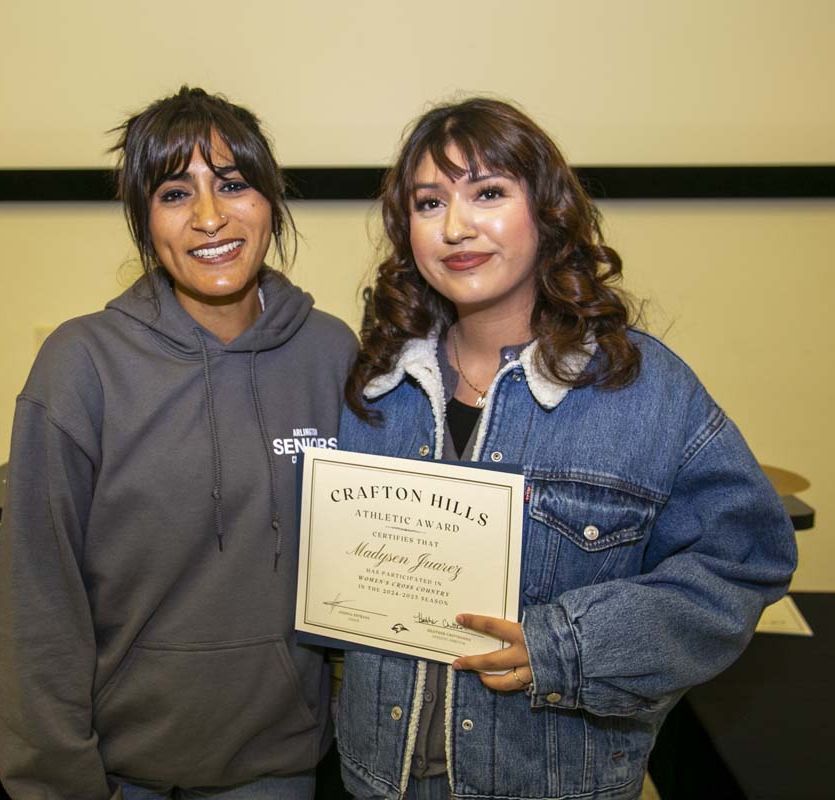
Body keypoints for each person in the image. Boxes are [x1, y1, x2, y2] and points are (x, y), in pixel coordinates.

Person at [335, 97, 797, 800]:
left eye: (488, 193)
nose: (456, 227)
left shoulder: (645, 389)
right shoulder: (377, 386)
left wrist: (569, 645)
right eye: (429, 203)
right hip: (378, 781)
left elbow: (744, 562)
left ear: (546, 212)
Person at [0, 86, 356, 800]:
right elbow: (37, 599)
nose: (210, 217)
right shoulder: (81, 365)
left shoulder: (330, 353)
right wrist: (56, 782)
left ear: (271, 201)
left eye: (234, 185)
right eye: (175, 193)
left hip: (278, 763)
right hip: (120, 769)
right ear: (143, 221)